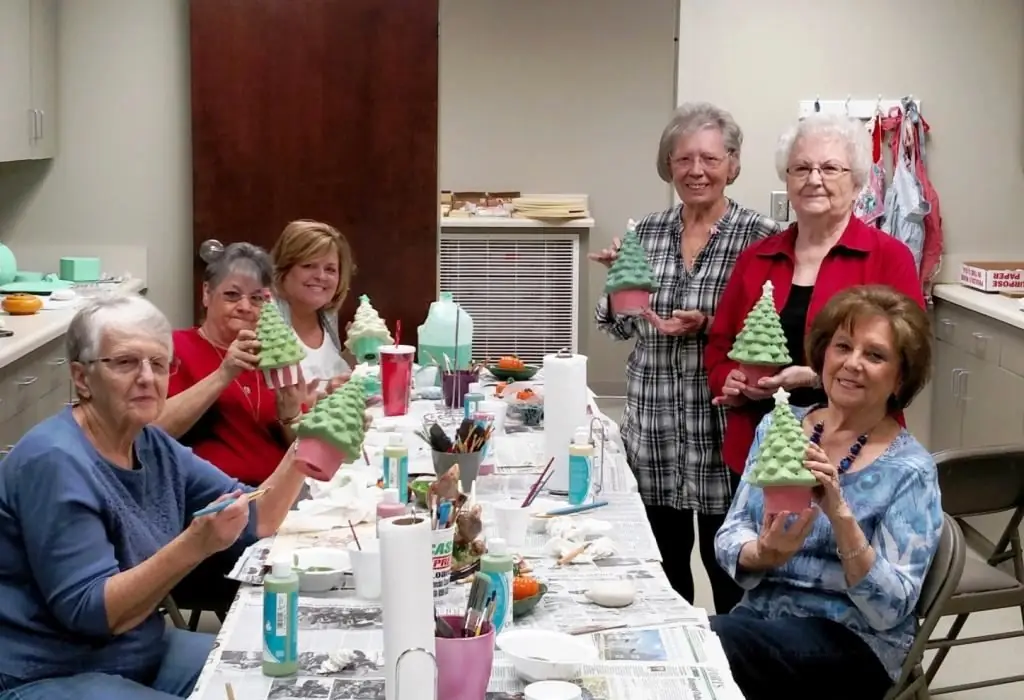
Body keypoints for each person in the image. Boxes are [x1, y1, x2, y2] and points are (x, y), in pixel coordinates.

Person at [0, 293, 310, 699]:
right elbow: (93, 612)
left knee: (287, 675)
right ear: (81, 378)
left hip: (138, 649)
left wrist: (310, 443)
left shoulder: (152, 444)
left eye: (159, 364)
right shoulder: (55, 461)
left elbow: (259, 518)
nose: (147, 377)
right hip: (51, 671)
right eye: (125, 362)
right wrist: (195, 544)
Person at [589, 102, 780, 613]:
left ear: (733, 164)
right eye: (683, 159)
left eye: (710, 159)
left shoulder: (761, 239)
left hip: (721, 432)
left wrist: (711, 324)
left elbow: (777, 336)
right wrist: (619, 288)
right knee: (661, 575)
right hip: (653, 431)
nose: (696, 171)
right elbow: (613, 324)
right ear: (668, 166)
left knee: (733, 580)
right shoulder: (645, 234)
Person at [710, 286, 942, 700]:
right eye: (843, 346)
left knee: (716, 643)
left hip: (853, 642)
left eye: (875, 355)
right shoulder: (780, 429)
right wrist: (763, 554)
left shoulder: (911, 470)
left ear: (900, 377)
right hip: (760, 623)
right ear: (823, 355)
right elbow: (731, 533)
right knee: (694, 641)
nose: (852, 364)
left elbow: (892, 608)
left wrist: (840, 515)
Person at [705, 113, 926, 480]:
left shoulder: (888, 258)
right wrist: (730, 379)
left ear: (856, 183)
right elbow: (719, 345)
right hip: (759, 452)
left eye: (830, 168)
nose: (814, 179)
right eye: (801, 168)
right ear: (788, 180)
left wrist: (815, 378)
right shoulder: (757, 258)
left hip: (855, 453)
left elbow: (909, 362)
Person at [159, 242, 313, 487]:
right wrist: (224, 374)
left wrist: (291, 415)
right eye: (232, 295)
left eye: (257, 299)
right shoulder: (174, 347)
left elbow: (303, 450)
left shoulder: (275, 355)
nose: (245, 307)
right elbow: (151, 432)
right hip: (214, 501)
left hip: (281, 495)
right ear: (207, 294)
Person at [271, 219, 355, 393]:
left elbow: (330, 369)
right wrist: (326, 395)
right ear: (283, 270)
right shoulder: (266, 318)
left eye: (330, 269)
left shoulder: (328, 315)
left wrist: (354, 351)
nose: (321, 276)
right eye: (308, 265)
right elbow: (269, 401)